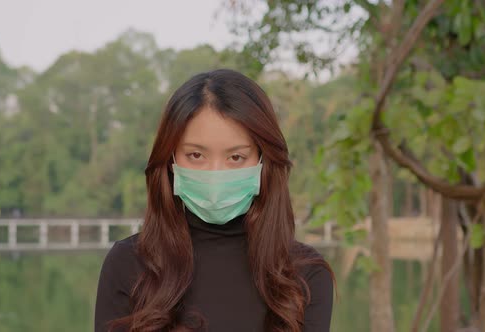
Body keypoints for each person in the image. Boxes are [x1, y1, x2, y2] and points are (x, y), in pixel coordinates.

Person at [94, 69, 334, 332]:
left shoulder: (305, 276)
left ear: (264, 162)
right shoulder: (128, 264)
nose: (215, 174)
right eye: (196, 155)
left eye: (236, 158)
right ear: (171, 160)